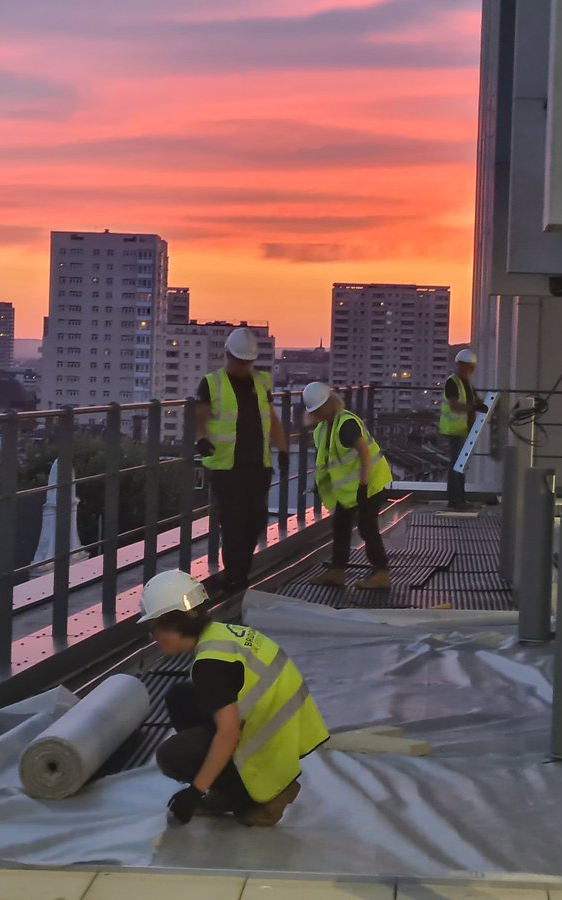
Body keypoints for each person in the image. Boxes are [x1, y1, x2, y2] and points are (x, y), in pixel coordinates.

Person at [142, 569, 329, 827]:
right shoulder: (220, 633)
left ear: (167, 627)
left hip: (269, 738)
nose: (154, 639)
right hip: (286, 722)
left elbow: (228, 734)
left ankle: (261, 795)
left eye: (152, 630)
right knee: (180, 698)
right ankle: (229, 789)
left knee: (172, 755)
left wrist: (195, 791)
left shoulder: (211, 665)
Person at [195, 327, 288, 592]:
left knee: (256, 519)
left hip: (257, 464)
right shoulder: (212, 382)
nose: (242, 366)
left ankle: (238, 573)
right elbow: (200, 416)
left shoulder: (261, 382)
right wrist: (201, 439)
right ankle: (235, 578)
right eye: (238, 360)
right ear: (227, 354)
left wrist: (282, 450)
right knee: (234, 523)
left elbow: (272, 419)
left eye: (247, 362)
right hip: (225, 466)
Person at [303, 383, 394, 591]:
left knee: (367, 527)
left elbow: (364, 453)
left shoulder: (346, 425)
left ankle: (382, 573)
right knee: (341, 526)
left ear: (329, 404)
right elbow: (329, 461)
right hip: (350, 490)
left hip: (370, 483)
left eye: (318, 409)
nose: (316, 414)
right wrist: (320, 484)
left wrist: (363, 486)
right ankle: (337, 571)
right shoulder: (324, 428)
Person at [439, 348, 488, 510]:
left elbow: (476, 402)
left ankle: (459, 499)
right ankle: (455, 500)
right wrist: (475, 407)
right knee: (457, 466)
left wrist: (484, 406)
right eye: (464, 366)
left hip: (464, 430)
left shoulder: (466, 383)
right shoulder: (453, 382)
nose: (465, 369)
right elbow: (455, 406)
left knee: (460, 465)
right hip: (455, 431)